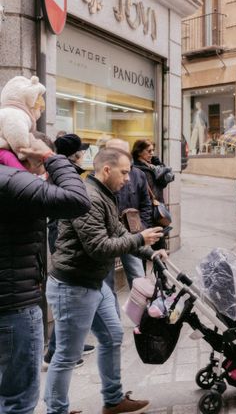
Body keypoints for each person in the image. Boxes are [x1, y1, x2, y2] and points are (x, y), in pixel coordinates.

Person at [44, 148, 167, 414]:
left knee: (112, 337)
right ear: (107, 170)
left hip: (94, 283)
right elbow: (99, 246)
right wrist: (139, 239)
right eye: (124, 172)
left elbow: (119, 232)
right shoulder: (87, 198)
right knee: (66, 355)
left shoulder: (105, 195)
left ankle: (113, 401)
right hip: (73, 286)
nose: (127, 178)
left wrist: (150, 251)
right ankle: (56, 410)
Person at [0, 137, 91, 414]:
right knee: (18, 401)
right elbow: (77, 200)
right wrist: (53, 157)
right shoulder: (10, 178)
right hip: (14, 306)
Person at [44, 133, 96, 371]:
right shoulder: (66, 175)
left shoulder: (61, 172)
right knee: (69, 290)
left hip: (60, 231)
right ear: (75, 155)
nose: (84, 154)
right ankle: (56, 351)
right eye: (82, 150)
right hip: (63, 234)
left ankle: (70, 344)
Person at [104, 139, 153, 310]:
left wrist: (142, 229)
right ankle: (113, 319)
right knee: (107, 283)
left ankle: (144, 318)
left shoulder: (137, 174)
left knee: (138, 278)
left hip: (132, 234)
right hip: (107, 238)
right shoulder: (102, 175)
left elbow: (146, 204)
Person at [132, 139, 174, 249]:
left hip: (156, 213)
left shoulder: (152, 167)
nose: (152, 153)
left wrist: (159, 164)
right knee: (147, 251)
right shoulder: (138, 169)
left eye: (153, 151)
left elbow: (165, 181)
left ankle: (159, 265)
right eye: (149, 151)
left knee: (160, 249)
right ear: (139, 152)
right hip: (147, 214)